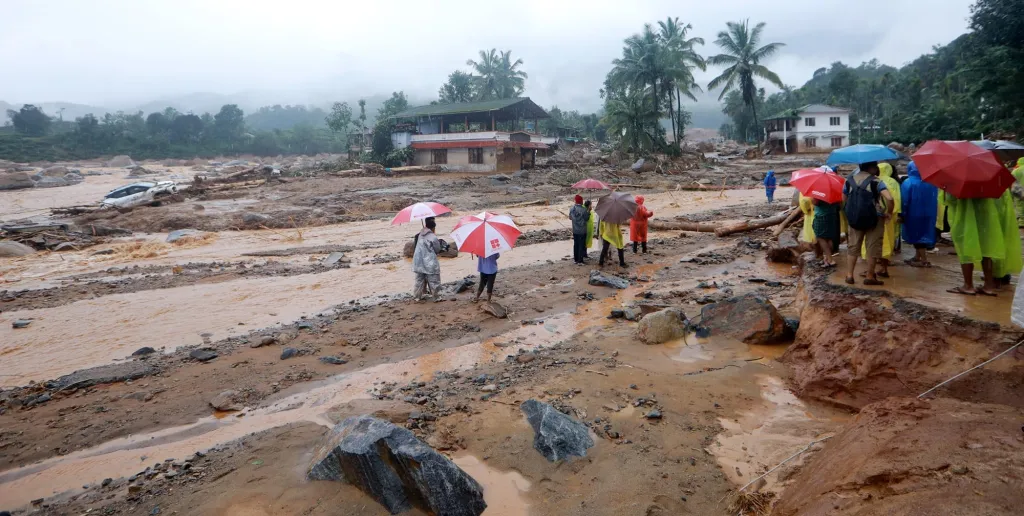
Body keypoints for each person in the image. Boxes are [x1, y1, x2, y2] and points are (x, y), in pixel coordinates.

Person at [844, 161, 895, 286]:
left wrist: (850, 211)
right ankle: (870, 276)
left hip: (855, 218)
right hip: (874, 219)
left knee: (853, 246)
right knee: (872, 246)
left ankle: (850, 275)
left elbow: (844, 199)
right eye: (875, 166)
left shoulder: (848, 181)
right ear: (871, 168)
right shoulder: (876, 182)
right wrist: (889, 212)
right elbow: (889, 198)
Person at [945, 192, 1006, 296]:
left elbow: (949, 200)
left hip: (964, 218)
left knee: (966, 251)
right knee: (987, 250)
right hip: (985, 218)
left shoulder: (958, 182)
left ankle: (968, 286)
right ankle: (988, 286)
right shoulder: (986, 181)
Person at [861, 162, 901, 277]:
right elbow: (896, 199)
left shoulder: (873, 181)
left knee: (871, 243)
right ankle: (884, 268)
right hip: (889, 217)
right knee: (887, 242)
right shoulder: (893, 182)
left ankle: (870, 270)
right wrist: (893, 213)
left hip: (875, 216)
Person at [900, 162, 938, 267]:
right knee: (923, 235)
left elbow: (904, 201)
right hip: (929, 213)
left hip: (913, 213)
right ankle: (918, 256)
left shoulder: (908, 182)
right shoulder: (931, 182)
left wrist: (902, 214)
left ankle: (924, 260)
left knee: (916, 235)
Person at [412, 217, 442, 301]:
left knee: (419, 280)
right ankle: (437, 297)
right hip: (430, 262)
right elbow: (437, 249)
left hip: (418, 261)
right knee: (434, 280)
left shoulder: (419, 235)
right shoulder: (433, 237)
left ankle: (417, 297)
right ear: (433, 228)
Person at [812, 198, 839, 266]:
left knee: (820, 238)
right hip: (832, 215)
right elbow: (840, 205)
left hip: (821, 217)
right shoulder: (834, 191)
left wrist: (812, 199)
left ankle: (830, 259)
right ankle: (827, 258)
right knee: (829, 238)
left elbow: (815, 202)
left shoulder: (819, 191)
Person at [569, 195, 588, 265]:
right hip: (582, 230)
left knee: (576, 244)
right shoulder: (584, 209)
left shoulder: (571, 209)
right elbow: (587, 219)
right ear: (581, 201)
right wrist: (588, 211)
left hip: (575, 230)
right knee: (581, 245)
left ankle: (576, 259)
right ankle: (580, 260)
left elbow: (570, 217)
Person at [1011, 157, 1024, 227]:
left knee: (1020, 208)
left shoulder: (1016, 171)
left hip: (1019, 194)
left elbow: (1013, 185)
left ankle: (1022, 224)